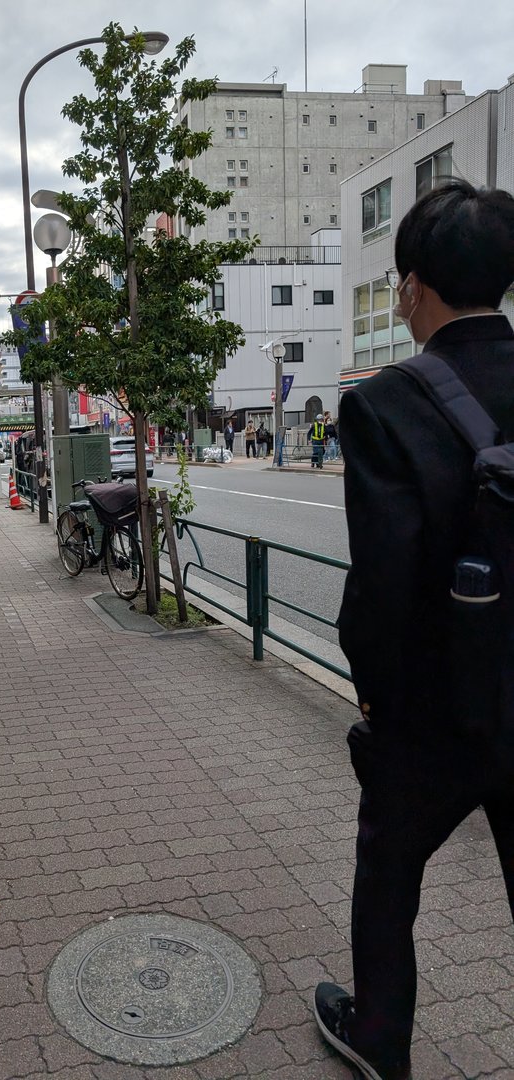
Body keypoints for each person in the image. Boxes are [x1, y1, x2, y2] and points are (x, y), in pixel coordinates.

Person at [314, 180, 514, 1080]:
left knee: (388, 874)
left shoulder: (387, 403)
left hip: (435, 710)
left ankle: (379, 1040)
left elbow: (383, 583)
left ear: (412, 286)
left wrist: (372, 693)